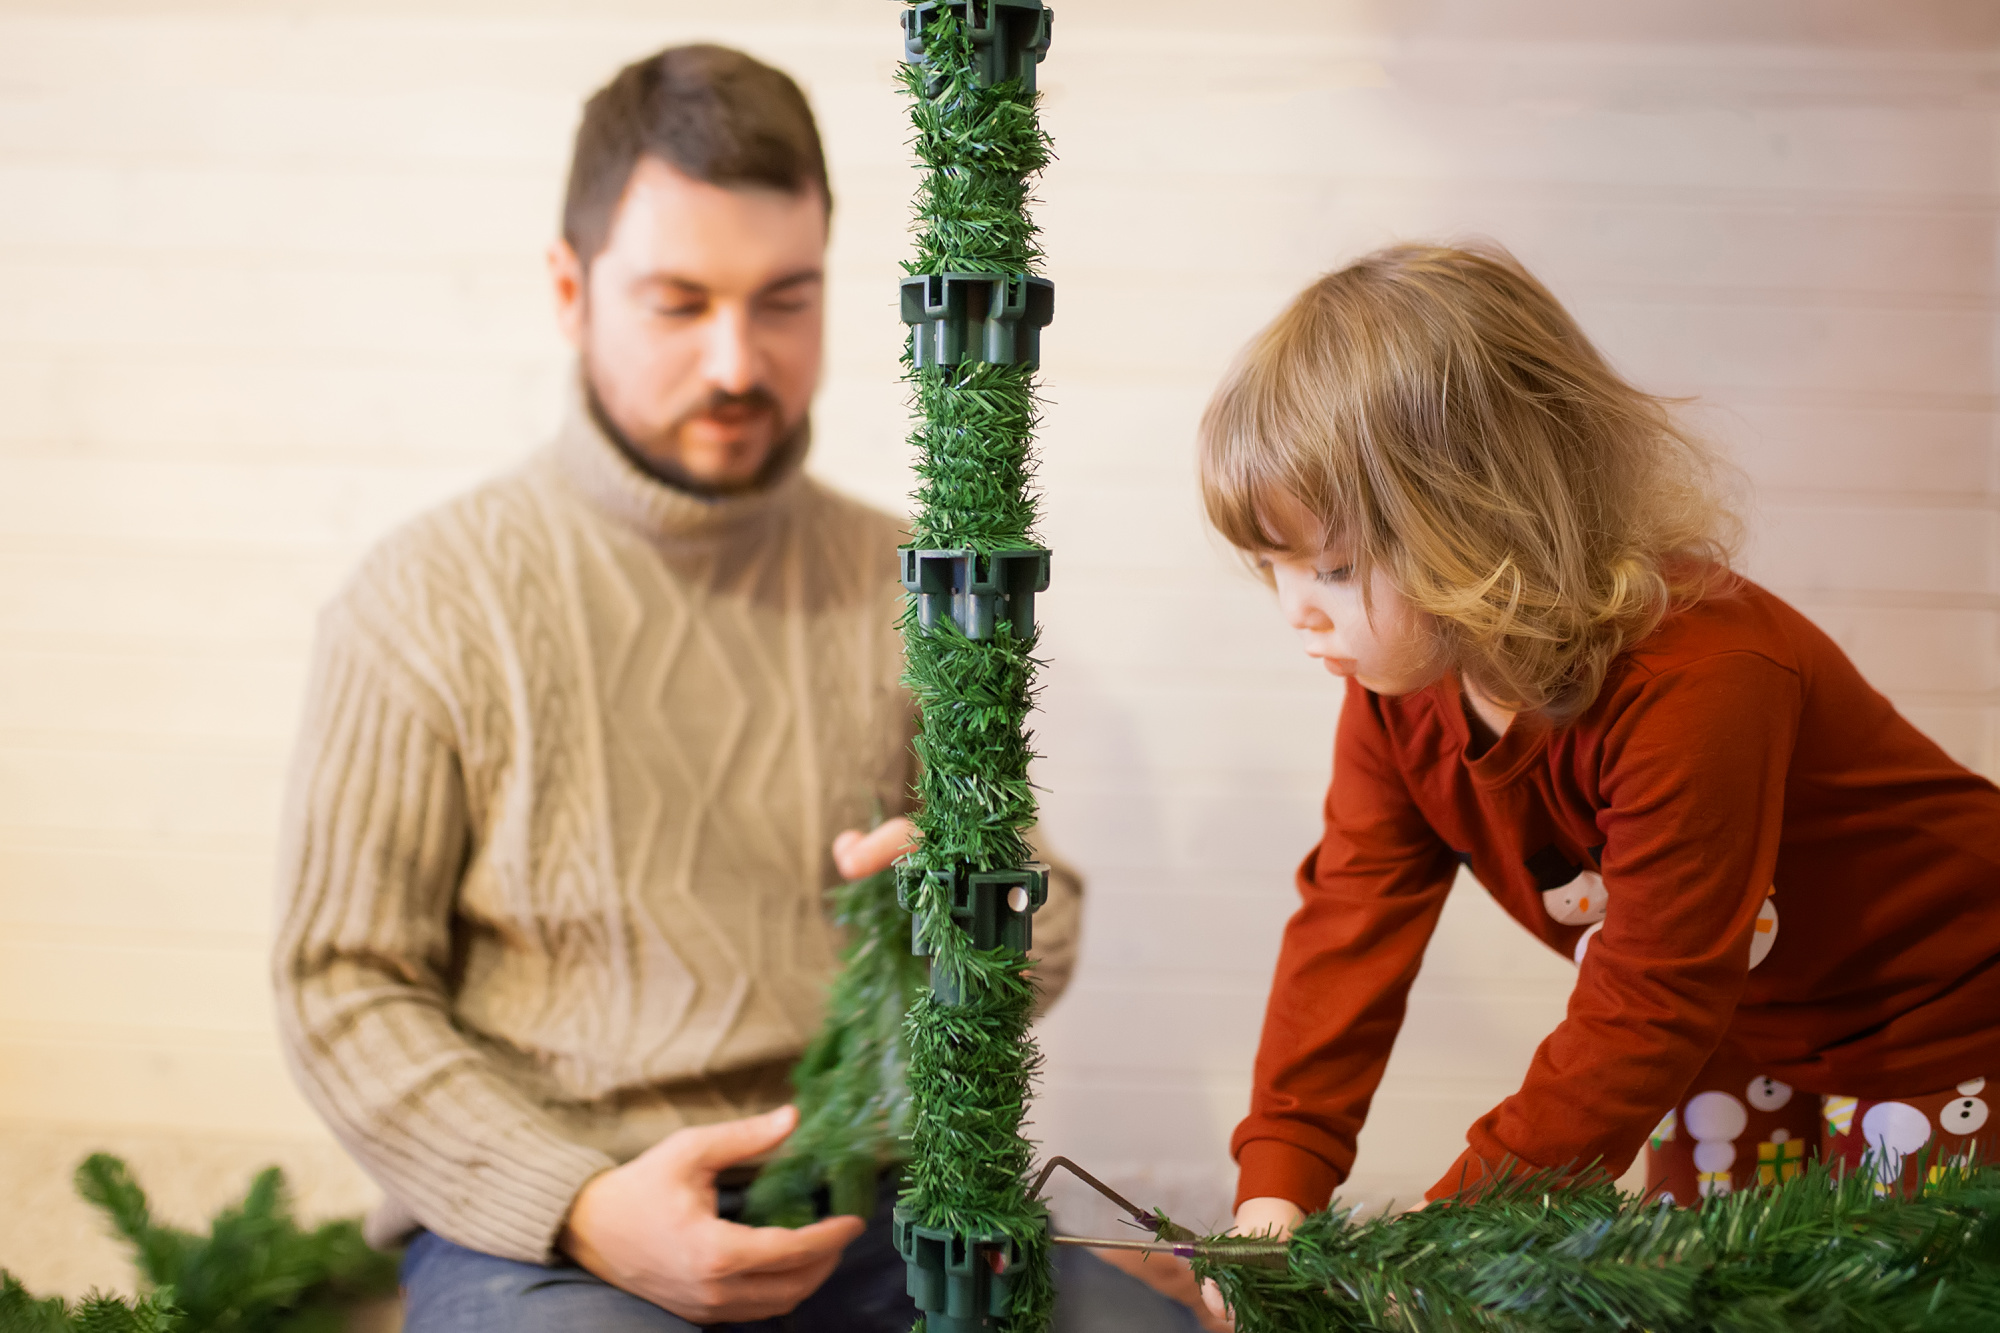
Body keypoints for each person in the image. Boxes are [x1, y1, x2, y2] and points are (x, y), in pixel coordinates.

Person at [271, 44, 1204, 1333]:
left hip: (877, 1203)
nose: (736, 361)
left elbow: (1039, 925)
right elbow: (340, 983)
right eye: (677, 301)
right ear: (567, 287)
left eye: (784, 300)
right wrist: (579, 1204)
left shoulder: (913, 579)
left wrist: (961, 911)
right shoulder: (424, 597)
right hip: (552, 1236)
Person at [1190, 242, 2000, 1290]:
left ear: (1478, 523)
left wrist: (1434, 1244)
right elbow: (1349, 921)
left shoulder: (1703, 675)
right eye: (1271, 566)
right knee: (1718, 1296)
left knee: (1890, 1300)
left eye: (1333, 568)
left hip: (1944, 1016)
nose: (1294, 608)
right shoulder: (1397, 693)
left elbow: (1647, 998)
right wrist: (1276, 1187)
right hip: (1737, 1032)